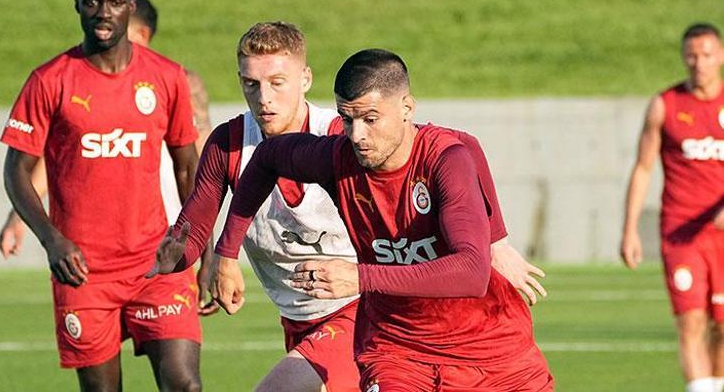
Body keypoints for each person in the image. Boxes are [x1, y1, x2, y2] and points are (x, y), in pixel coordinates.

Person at [152, 46, 553, 391]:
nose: (357, 135)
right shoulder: (336, 156)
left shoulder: (444, 160)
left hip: (490, 349)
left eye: (370, 119)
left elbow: (470, 272)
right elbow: (268, 158)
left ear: (407, 108)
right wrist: (226, 252)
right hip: (397, 348)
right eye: (347, 119)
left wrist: (496, 240)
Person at [0, 0, 203, 391]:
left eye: (113, 2)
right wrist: (51, 239)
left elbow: (188, 165)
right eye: (92, 2)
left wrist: (198, 245)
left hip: (156, 262)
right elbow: (16, 170)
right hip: (83, 272)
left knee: (185, 385)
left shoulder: (166, 77)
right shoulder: (49, 81)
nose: (103, 12)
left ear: (130, 6)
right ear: (77, 5)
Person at [0, 0, 212, 256]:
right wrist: (17, 217)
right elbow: (58, 158)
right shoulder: (82, 85)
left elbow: (200, 154)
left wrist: (205, 238)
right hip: (99, 239)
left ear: (141, 34)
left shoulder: (176, 82)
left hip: (166, 230)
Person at [621, 23, 724, 392]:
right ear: (683, 57)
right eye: (691, 55)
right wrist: (630, 229)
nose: (699, 63)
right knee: (690, 320)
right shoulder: (665, 105)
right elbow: (643, 167)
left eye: (706, 54)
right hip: (681, 233)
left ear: (720, 56)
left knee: (722, 324)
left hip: (721, 234)